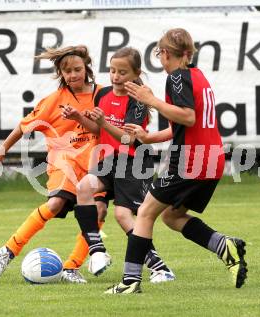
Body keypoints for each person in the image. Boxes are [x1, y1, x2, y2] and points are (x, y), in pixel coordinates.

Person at [105, 28, 248, 294]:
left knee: (146, 213)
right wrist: (148, 138)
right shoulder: (198, 76)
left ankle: (129, 282)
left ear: (166, 53)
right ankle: (223, 246)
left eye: (160, 54)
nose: (160, 60)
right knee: (172, 215)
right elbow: (182, 125)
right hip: (212, 160)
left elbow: (188, 117)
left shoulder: (178, 77)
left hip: (191, 161)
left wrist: (152, 100)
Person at [0, 45, 110, 283]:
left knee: (100, 210)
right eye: (67, 71)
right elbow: (23, 127)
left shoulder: (102, 95)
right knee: (55, 203)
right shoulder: (53, 101)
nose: (73, 75)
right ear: (60, 73)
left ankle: (71, 267)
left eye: (77, 69)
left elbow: (111, 125)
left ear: (87, 68)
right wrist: (0, 152)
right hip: (65, 164)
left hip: (95, 165)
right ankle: (8, 250)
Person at [65, 47, 175, 283]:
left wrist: (104, 122)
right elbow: (97, 129)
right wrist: (79, 117)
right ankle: (97, 251)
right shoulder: (102, 95)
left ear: (135, 73)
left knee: (123, 215)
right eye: (113, 71)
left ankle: (160, 267)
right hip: (109, 160)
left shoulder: (137, 101)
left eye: (122, 72)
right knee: (83, 188)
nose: (116, 76)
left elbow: (129, 138)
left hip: (134, 161)